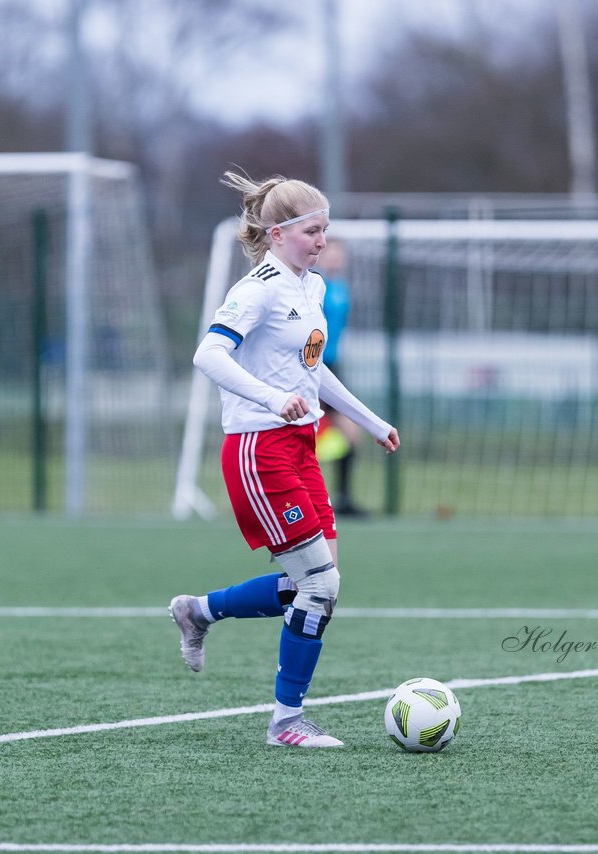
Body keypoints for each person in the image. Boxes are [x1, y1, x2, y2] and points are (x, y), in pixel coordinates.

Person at [168, 171, 400, 749]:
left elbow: (312, 370)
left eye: (325, 230)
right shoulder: (257, 289)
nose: (321, 241)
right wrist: (274, 399)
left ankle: (199, 611)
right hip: (258, 448)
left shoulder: (312, 289)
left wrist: (370, 421)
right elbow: (208, 355)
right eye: (311, 231)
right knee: (318, 585)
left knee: (315, 587)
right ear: (277, 235)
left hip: (299, 447)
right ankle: (286, 723)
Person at [313, 238, 366, 516]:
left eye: (339, 256)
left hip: (333, 366)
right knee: (307, 433)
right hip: (313, 367)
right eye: (329, 255)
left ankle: (343, 498)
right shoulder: (314, 288)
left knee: (349, 434)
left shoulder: (342, 290)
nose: (334, 260)